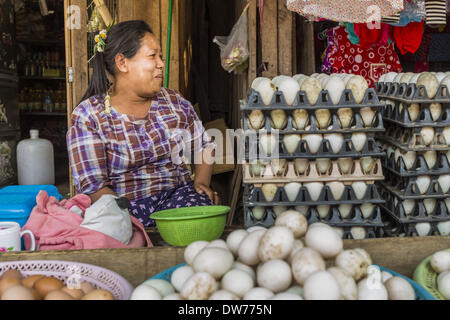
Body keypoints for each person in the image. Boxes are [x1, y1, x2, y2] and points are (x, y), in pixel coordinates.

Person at [67, 20, 219, 228]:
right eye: (152, 56)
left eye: (161, 57)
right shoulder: (89, 116)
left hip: (179, 198)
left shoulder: (174, 102)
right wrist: (124, 220)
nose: (161, 64)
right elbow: (95, 186)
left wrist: (201, 183)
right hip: (122, 206)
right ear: (122, 63)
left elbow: (203, 146)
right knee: (111, 230)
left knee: (200, 215)